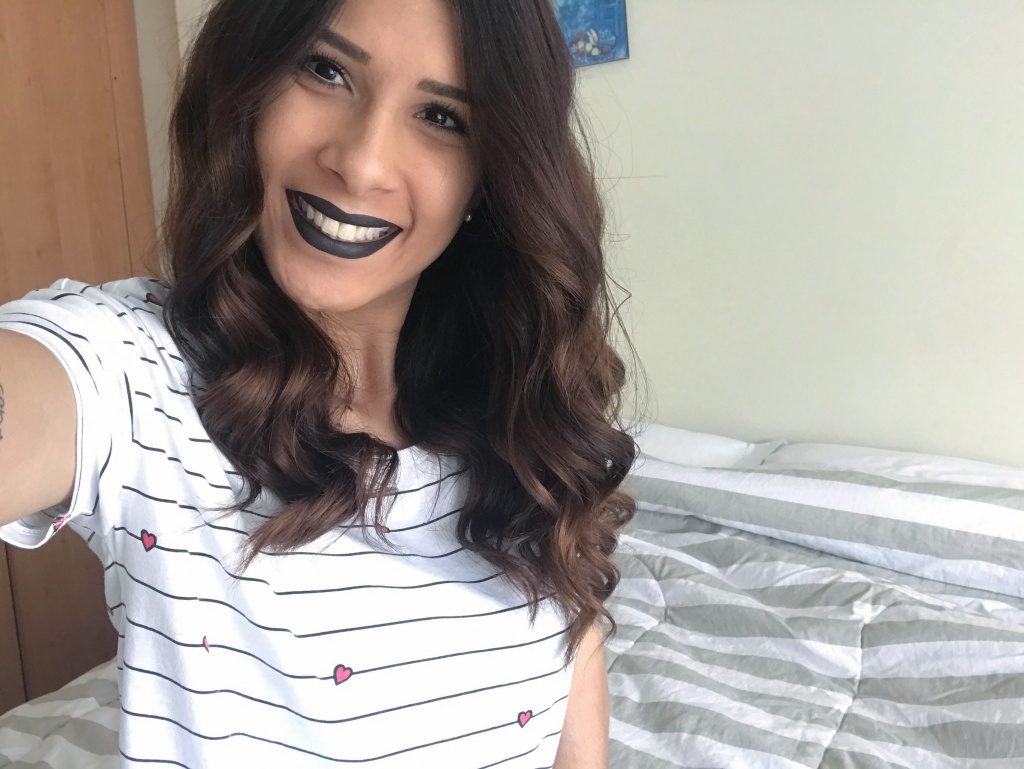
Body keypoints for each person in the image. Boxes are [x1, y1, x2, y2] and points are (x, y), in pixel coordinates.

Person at [0, 0, 637, 765]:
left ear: (488, 179)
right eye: (326, 70)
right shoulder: (139, 371)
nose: (361, 162)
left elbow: (572, 631)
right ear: (251, 82)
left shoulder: (519, 409)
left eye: (441, 117)